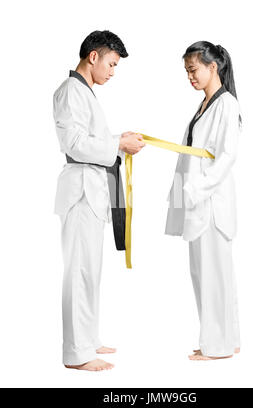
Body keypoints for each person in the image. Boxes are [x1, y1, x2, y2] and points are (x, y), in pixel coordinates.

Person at [53, 30, 145, 371]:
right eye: (111, 63)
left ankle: (88, 340)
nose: (112, 71)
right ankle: (76, 355)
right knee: (78, 271)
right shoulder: (69, 92)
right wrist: (118, 145)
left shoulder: (85, 92)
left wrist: (118, 138)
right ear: (93, 56)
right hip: (79, 191)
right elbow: (74, 143)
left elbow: (91, 138)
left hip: (91, 191)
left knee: (90, 271)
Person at [165, 41, 242, 360]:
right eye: (186, 71)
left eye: (193, 70)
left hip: (209, 202)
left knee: (211, 275)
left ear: (213, 67)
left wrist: (196, 189)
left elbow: (225, 157)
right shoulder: (205, 104)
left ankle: (216, 346)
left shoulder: (226, 104)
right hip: (198, 199)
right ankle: (227, 339)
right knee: (210, 273)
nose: (189, 77)